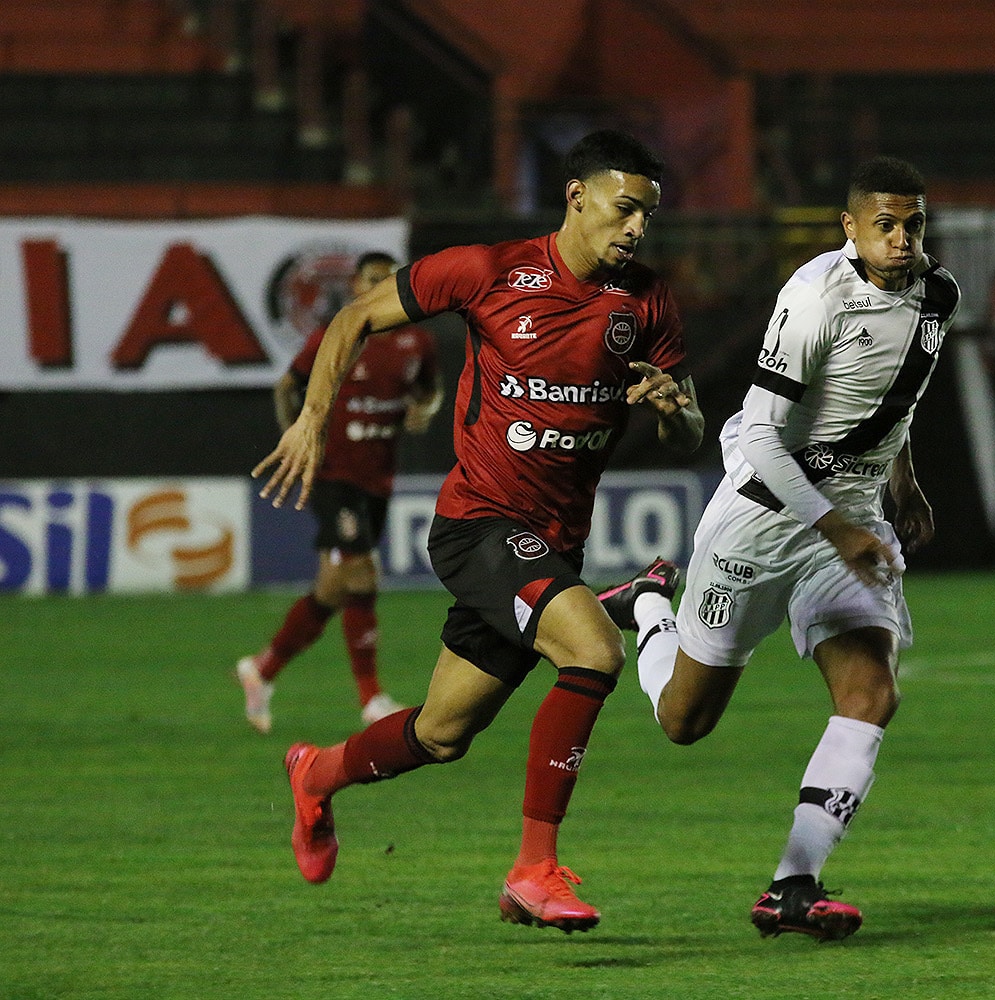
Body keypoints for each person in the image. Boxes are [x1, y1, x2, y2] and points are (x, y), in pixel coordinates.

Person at [252, 129, 704, 933]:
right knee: (594, 649)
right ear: (578, 197)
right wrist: (314, 420)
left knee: (441, 732)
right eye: (625, 207)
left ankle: (316, 775)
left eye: (649, 214)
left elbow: (688, 432)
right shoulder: (491, 271)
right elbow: (358, 315)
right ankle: (534, 868)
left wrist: (678, 414)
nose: (637, 227)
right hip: (480, 525)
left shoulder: (649, 302)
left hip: (554, 543)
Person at [597, 155, 960, 941]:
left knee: (871, 694)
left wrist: (904, 477)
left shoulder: (939, 295)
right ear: (850, 228)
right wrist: (837, 526)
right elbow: (761, 436)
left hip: (852, 520)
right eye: (885, 225)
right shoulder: (813, 297)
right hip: (763, 520)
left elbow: (890, 396)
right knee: (685, 721)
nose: (902, 239)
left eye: (914, 223)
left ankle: (793, 886)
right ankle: (649, 604)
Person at [237, 251, 443, 733]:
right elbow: (286, 386)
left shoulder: (416, 342)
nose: (381, 286)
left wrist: (426, 411)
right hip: (335, 475)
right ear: (354, 286)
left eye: (390, 279)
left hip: (378, 479)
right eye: (372, 279)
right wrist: (299, 440)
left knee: (333, 588)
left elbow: (431, 392)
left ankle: (262, 670)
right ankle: (371, 699)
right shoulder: (340, 336)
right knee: (362, 575)